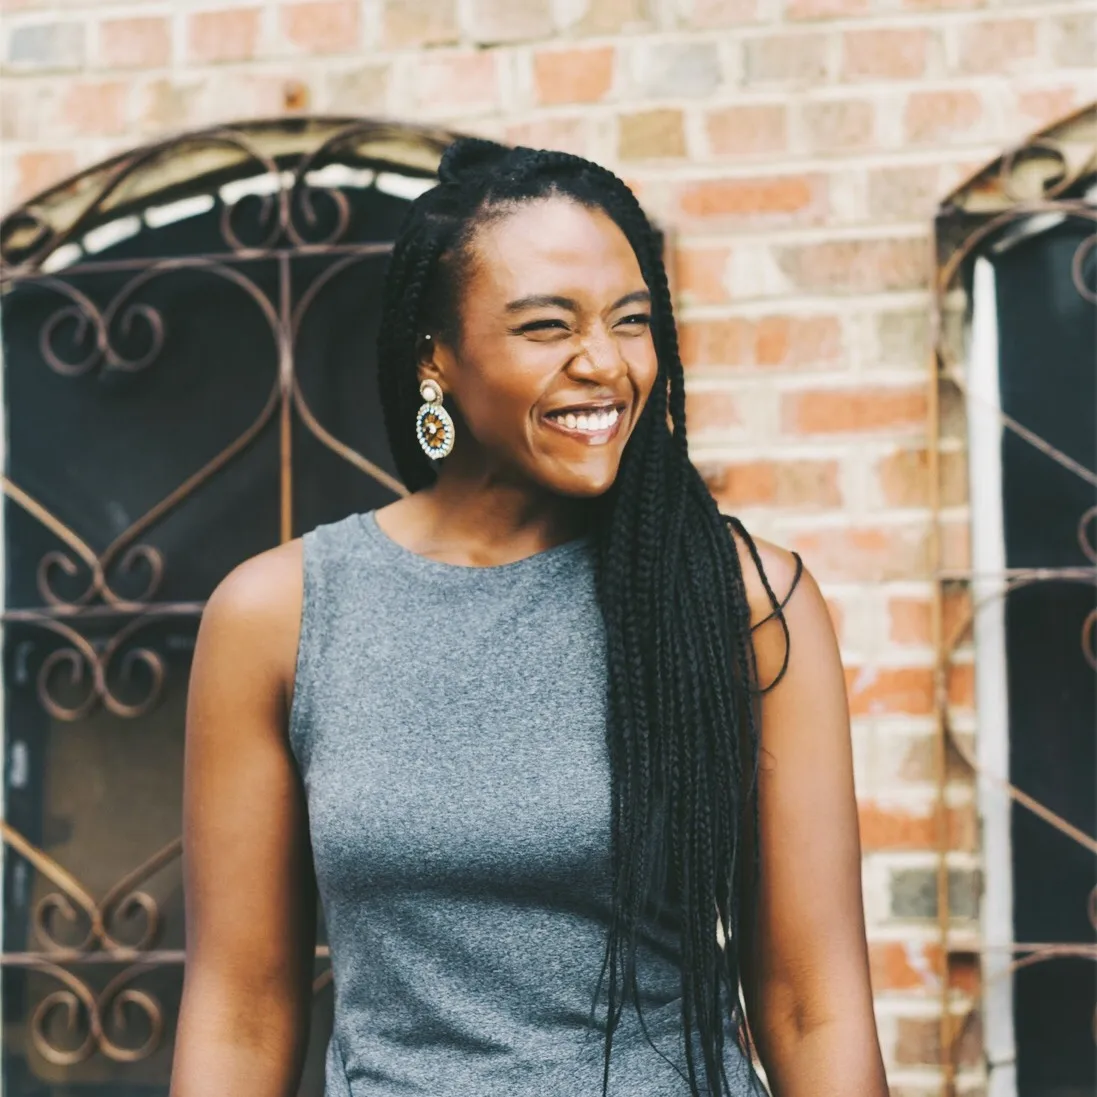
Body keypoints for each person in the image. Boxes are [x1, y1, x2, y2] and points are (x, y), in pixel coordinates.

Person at [170, 139, 888, 1097]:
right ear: (436, 355)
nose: (604, 363)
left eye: (631, 321)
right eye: (548, 326)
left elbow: (812, 1005)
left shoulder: (742, 602)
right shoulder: (278, 615)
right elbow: (242, 1011)